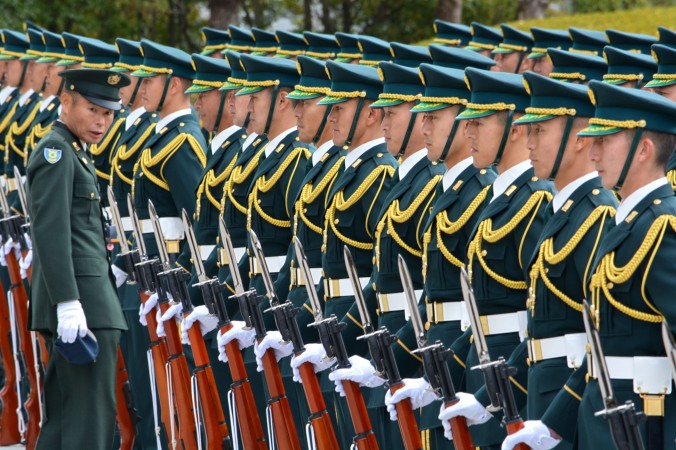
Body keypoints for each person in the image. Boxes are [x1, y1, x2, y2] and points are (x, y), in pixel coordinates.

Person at [506, 80, 676, 450]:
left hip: (645, 425)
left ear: (644, 149)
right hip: (607, 424)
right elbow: (598, 348)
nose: (593, 153)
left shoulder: (661, 228)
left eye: (603, 142)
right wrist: (553, 425)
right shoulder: (629, 224)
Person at [439, 68, 554, 449]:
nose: (468, 132)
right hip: (486, 369)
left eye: (480, 123)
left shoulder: (533, 203)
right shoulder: (501, 198)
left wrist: (504, 390)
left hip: (513, 379)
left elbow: (541, 315)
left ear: (516, 128)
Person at [26, 67, 130, 449]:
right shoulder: (57, 153)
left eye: (108, 113)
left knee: (70, 418)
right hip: (83, 307)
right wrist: (68, 303)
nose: (102, 121)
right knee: (88, 422)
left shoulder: (73, 152)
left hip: (87, 303)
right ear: (65, 101)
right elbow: (50, 234)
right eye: (93, 109)